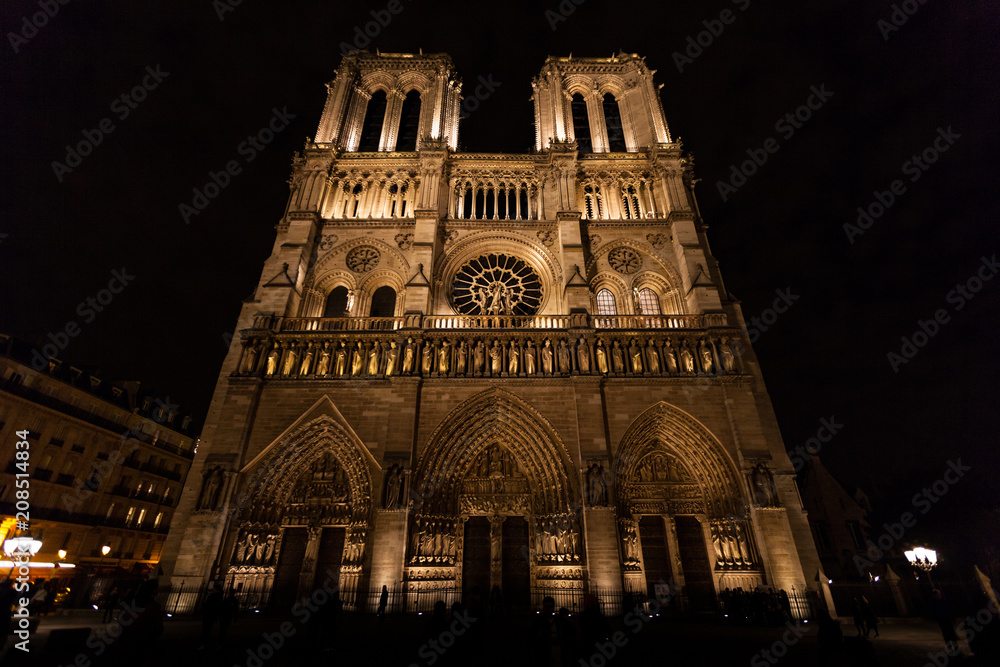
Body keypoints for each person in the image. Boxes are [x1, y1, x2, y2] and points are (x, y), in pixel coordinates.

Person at [929, 589, 960, 654]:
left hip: (943, 620)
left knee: (947, 634)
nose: (940, 595)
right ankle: (954, 648)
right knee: (949, 634)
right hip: (945, 620)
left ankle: (952, 648)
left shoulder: (935, 603)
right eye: (938, 594)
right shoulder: (941, 602)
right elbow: (949, 609)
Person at [201, 584, 224, 648]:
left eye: (213, 588)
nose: (212, 589)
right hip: (211, 614)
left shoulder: (213, 596)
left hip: (209, 614)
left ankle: (203, 643)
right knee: (207, 629)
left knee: (206, 629)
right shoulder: (219, 597)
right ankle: (205, 642)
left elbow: (208, 605)